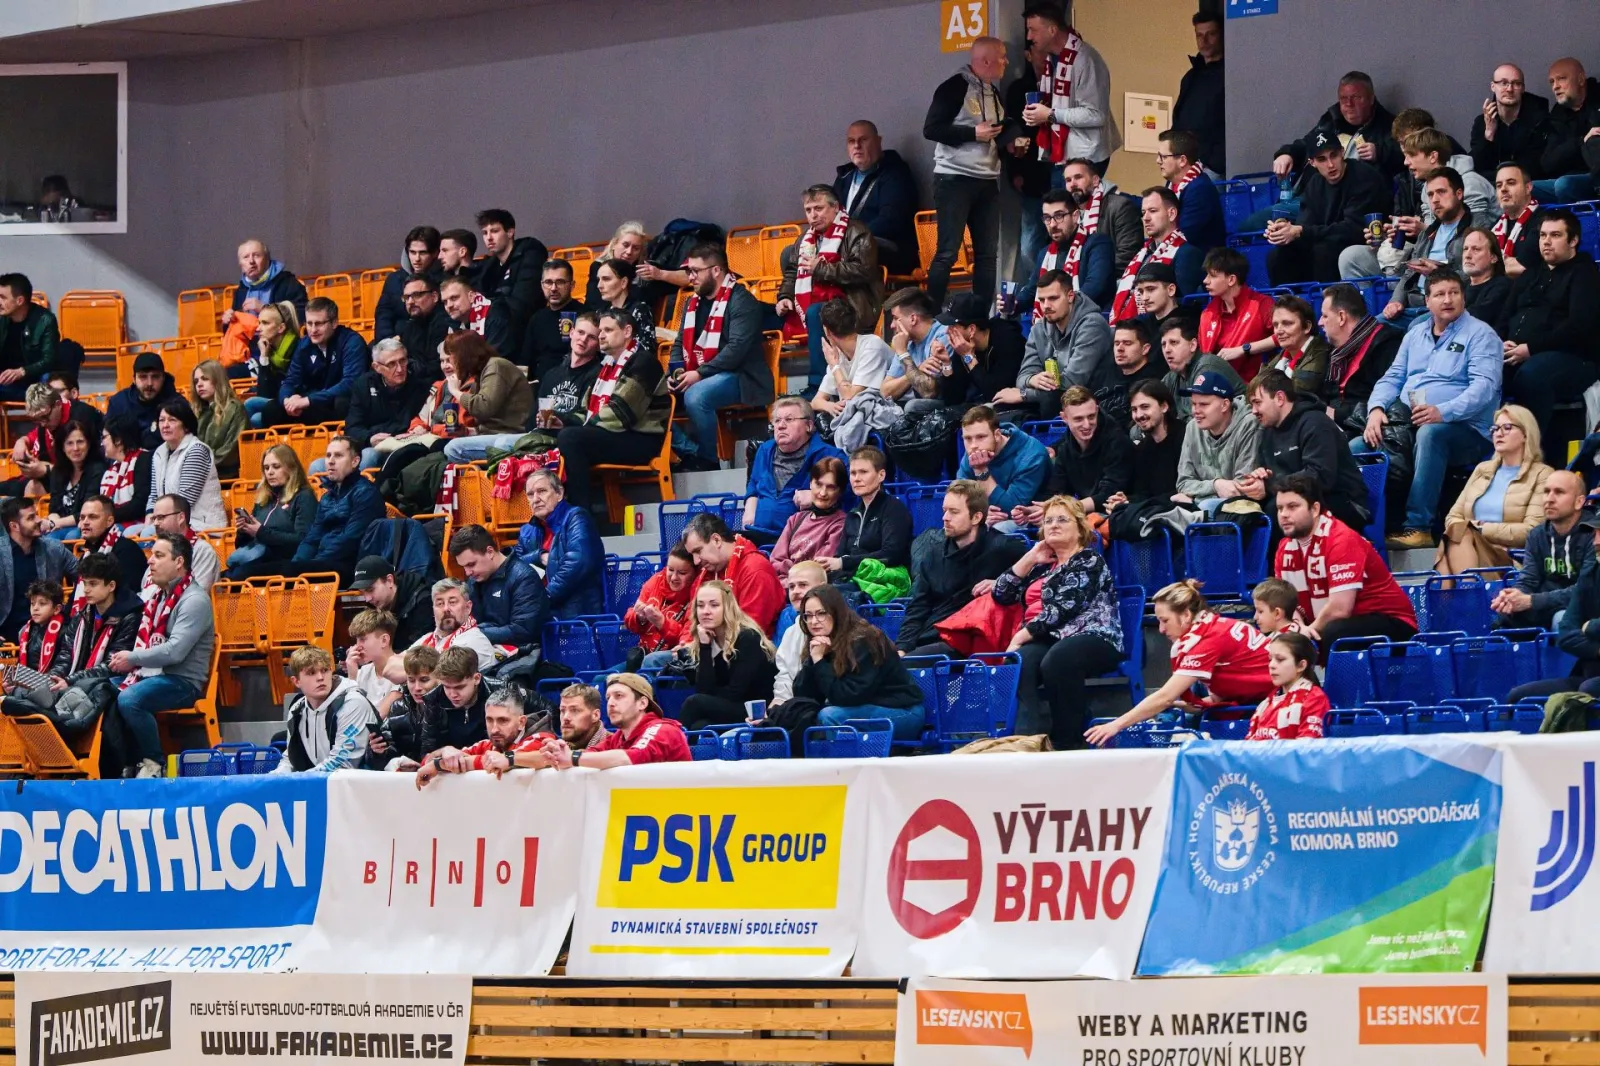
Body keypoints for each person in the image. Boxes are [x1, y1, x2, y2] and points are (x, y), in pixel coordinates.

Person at [1360, 271, 1501, 549]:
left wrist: (1443, 412)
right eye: (1439, 294)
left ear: (1463, 298)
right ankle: (1365, 530)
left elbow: (1484, 389)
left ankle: (1419, 526)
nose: (1447, 300)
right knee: (1359, 445)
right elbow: (1392, 378)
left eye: (1454, 293)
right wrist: (1376, 409)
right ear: (1427, 301)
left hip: (1467, 430)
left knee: (1431, 435)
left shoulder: (1481, 335)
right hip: (1410, 422)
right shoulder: (1415, 335)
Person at [993, 494, 1123, 748]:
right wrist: (1031, 557)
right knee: (1021, 661)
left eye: (1062, 520)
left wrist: (1021, 635)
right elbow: (1001, 593)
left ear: (1080, 528)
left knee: (1058, 659)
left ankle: (1068, 742)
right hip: (1051, 637)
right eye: (1049, 520)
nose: (1053, 525)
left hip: (1095, 636)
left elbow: (1062, 609)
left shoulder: (1088, 560)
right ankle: (1026, 739)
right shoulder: (1042, 566)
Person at [1085, 579, 1273, 747]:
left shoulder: (1208, 640)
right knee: (1177, 710)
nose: (1160, 629)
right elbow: (1236, 682)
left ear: (1186, 615)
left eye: (1165, 620)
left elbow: (1165, 696)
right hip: (1255, 696)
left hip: (1269, 703)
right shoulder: (1212, 625)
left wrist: (1116, 725)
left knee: (1174, 716)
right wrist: (1202, 703)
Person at [1498, 207, 1600, 465]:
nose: (1546, 241)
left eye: (1555, 235)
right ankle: (1488, 453)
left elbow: (1578, 326)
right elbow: (1504, 316)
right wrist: (1500, 342)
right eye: (1543, 235)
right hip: (1517, 352)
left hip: (1574, 358)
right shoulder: (1531, 273)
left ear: (1573, 240)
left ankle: (1529, 459)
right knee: (1483, 369)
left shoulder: (1584, 273)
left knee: (1532, 375)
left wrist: (1530, 348)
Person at [110, 532, 215, 778]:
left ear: (179, 562)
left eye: (158, 555)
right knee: (105, 690)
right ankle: (122, 761)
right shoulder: (158, 598)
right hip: (152, 675)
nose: (150, 561)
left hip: (183, 682)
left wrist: (132, 658)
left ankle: (154, 764)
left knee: (130, 698)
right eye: (151, 555)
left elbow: (175, 652)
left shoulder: (195, 600)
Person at [1273, 473, 1419, 646]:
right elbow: (1287, 602)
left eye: (1292, 507)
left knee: (1334, 632)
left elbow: (1340, 609)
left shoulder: (1341, 540)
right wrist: (1298, 628)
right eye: (1280, 508)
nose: (1284, 514)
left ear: (1315, 509)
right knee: (1273, 631)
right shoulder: (1284, 548)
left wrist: (1306, 637)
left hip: (1393, 622)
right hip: (1343, 622)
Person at [552, 308, 670, 515]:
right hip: (617, 434)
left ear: (627, 331)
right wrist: (562, 421)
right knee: (553, 435)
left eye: (607, 330)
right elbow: (586, 411)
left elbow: (621, 414)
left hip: (642, 439)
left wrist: (575, 428)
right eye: (600, 331)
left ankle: (580, 515)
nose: (601, 335)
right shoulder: (606, 367)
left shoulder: (644, 363)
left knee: (571, 438)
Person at [669, 243, 770, 469]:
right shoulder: (691, 303)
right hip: (700, 372)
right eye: (689, 271)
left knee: (696, 396)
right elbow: (679, 342)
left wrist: (699, 373)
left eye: (696, 271)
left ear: (716, 270)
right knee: (650, 397)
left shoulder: (741, 300)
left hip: (741, 375)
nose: (690, 277)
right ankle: (690, 452)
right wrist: (676, 372)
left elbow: (736, 350)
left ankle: (708, 460)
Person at [898, 481, 1027, 655]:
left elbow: (1037, 580)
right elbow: (918, 606)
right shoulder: (934, 553)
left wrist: (1001, 582)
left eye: (954, 512)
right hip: (931, 636)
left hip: (967, 640)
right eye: (944, 510)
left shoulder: (1003, 548)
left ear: (976, 517)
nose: (945, 518)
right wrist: (902, 648)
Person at [923, 35, 1005, 308]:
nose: (1006, 62)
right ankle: (932, 314)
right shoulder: (953, 88)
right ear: (986, 61)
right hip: (954, 178)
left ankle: (980, 317)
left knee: (987, 255)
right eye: (1002, 57)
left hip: (987, 180)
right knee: (948, 251)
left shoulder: (993, 92)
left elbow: (992, 133)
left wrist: (1011, 142)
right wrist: (972, 133)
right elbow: (931, 129)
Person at [776, 185, 882, 394]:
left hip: (853, 303)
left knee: (816, 312)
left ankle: (816, 386)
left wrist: (821, 269)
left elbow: (864, 270)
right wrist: (785, 296)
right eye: (808, 210)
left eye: (819, 208)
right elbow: (792, 272)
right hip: (811, 301)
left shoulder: (856, 231)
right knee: (762, 313)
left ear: (835, 208)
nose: (813, 215)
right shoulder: (804, 239)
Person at [1243, 369, 1371, 532]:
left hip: (1342, 502)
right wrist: (1260, 480)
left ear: (1280, 398)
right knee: (1246, 513)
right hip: (1298, 500)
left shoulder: (1316, 423)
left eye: (1257, 402)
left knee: (1277, 512)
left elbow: (1320, 477)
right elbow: (1271, 476)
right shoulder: (1267, 433)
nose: (1253, 411)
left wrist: (1270, 486)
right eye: (1251, 405)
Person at [798, 584, 926, 739]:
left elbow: (849, 696)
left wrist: (819, 661)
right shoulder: (821, 643)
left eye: (821, 613)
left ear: (836, 612)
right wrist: (813, 660)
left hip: (903, 712)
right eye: (808, 615)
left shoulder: (865, 640)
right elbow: (803, 696)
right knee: (803, 716)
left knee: (830, 716)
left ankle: (842, 755)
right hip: (862, 708)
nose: (813, 621)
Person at [1435, 404, 1553, 574]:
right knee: (1457, 533)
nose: (1498, 433)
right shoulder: (1482, 469)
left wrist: (1482, 529)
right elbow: (1452, 517)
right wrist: (1474, 531)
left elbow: (1533, 530)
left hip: (1512, 558)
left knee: (1457, 536)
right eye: (1495, 428)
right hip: (1469, 549)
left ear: (1526, 434)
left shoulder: (1542, 474)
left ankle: (1459, 590)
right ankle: (1467, 589)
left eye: (1507, 427)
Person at [1266, 130, 1392, 285]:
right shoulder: (1315, 183)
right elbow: (1306, 225)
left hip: (1363, 244)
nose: (1330, 165)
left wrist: (1301, 231)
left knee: (1324, 251)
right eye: (1322, 159)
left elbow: (1353, 229)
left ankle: (1328, 298)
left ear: (1342, 152)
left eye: (1334, 155)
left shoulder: (1364, 176)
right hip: (1327, 243)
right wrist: (1284, 230)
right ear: (1312, 163)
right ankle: (1286, 299)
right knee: (1278, 256)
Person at [1021, 4, 1117, 177]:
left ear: (1052, 30)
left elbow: (1096, 114)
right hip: (1059, 154)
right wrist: (1037, 114)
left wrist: (1050, 114)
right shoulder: (1050, 58)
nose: (1029, 37)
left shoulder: (1085, 59)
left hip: (1085, 158)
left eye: (1033, 30)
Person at [273, 436, 384, 583]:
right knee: (250, 572)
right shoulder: (327, 497)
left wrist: (313, 564)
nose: (330, 461)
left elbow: (349, 541)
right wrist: (298, 563)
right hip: (322, 562)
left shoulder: (365, 493)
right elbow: (312, 539)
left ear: (355, 462)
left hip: (350, 566)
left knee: (288, 572)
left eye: (338, 455)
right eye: (328, 455)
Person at [1370, 168, 1478, 316]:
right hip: (1413, 305)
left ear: (1459, 194)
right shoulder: (1427, 233)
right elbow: (1409, 273)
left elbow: (1478, 275)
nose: (1435, 200)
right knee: (1371, 326)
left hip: (1446, 309)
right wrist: (1396, 301)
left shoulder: (1476, 229)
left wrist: (1439, 273)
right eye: (1430, 194)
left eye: (1441, 192)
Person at [1006, 270, 1115, 417]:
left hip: (1092, 408)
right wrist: (1032, 379)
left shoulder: (1092, 325)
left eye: (1053, 298)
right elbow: (1022, 377)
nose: (1046, 306)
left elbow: (1072, 383)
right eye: (1042, 300)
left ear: (1070, 296)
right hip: (1055, 405)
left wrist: (1025, 394)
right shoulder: (1039, 329)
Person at [1493, 470, 1589, 630]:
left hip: (1585, 607)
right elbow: (1529, 580)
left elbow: (1587, 589)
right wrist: (1513, 596)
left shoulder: (1594, 534)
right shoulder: (1537, 535)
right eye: (1546, 491)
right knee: (1506, 616)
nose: (1549, 499)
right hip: (1546, 604)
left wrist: (1531, 601)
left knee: (1562, 619)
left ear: (1579, 502)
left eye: (1559, 492)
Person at [42, 554, 141, 708]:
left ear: (111, 586)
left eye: (93, 584)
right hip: (76, 684)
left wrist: (70, 681)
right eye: (85, 583)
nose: (86, 590)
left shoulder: (130, 617)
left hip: (106, 687)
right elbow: (65, 656)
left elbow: (112, 666)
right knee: (21, 693)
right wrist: (52, 679)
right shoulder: (82, 615)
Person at [678, 579, 777, 732]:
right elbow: (704, 690)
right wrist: (705, 647)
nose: (706, 611)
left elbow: (736, 692)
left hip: (757, 710)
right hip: (730, 706)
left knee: (693, 703)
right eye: (700, 605)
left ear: (728, 608)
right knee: (701, 726)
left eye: (714, 605)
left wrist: (709, 697)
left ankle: (672, 744)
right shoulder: (707, 638)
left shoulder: (748, 637)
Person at [1271, 71, 1403, 183]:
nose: (1349, 104)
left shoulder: (1390, 125)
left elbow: (1406, 156)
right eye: (1343, 98)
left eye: (1356, 97)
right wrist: (1288, 154)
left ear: (1371, 99)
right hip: (1310, 194)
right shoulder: (1333, 120)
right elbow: (1309, 143)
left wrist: (1379, 152)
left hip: (1354, 198)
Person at [743, 397, 847, 540]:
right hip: (757, 534)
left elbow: (850, 496)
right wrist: (749, 509)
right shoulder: (764, 450)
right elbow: (754, 484)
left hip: (804, 540)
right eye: (777, 421)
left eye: (789, 419)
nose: (781, 426)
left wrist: (816, 496)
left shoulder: (830, 456)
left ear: (808, 425)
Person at [540, 672, 692, 769]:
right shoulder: (618, 738)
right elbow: (590, 754)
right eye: (608, 698)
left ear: (642, 703)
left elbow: (630, 758)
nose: (611, 703)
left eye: (619, 696)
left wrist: (572, 758)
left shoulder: (663, 729)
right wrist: (559, 754)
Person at [413, 685, 557, 786]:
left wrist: (439, 765)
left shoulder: (542, 739)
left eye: (503, 720)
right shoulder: (487, 745)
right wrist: (445, 751)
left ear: (521, 722)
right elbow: (426, 762)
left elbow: (496, 762)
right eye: (489, 720)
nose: (494, 729)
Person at [258, 297, 368, 429]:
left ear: (334, 323)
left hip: (339, 403)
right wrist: (287, 400)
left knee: (341, 403)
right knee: (271, 409)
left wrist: (308, 400)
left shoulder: (351, 342)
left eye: (319, 324)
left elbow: (350, 383)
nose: (313, 330)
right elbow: (291, 381)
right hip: (314, 403)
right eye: (309, 324)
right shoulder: (304, 345)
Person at [832, 119, 919, 276]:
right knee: (793, 253)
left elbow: (891, 220)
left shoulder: (895, 173)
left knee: (852, 250)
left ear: (878, 141)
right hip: (846, 244)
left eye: (863, 139)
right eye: (851, 141)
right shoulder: (844, 176)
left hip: (887, 247)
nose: (857, 145)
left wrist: (850, 238)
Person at [514, 468, 604, 618]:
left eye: (542, 491)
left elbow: (577, 564)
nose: (535, 499)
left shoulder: (576, 518)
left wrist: (544, 599)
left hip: (578, 617)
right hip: (541, 617)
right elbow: (513, 565)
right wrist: (539, 556)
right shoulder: (527, 531)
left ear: (559, 493)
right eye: (530, 494)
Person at [274, 646, 376, 774]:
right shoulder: (297, 710)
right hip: (321, 780)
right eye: (311, 673)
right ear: (296, 681)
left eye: (325, 670)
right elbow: (291, 757)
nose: (320, 677)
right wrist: (272, 779)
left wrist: (300, 780)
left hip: (360, 782)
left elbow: (342, 763)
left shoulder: (353, 703)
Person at [1037, 387, 1131, 527]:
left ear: (1097, 410)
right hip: (1082, 513)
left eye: (1091, 416)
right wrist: (1040, 510)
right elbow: (1055, 490)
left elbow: (1109, 495)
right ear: (1064, 418)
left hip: (1115, 514)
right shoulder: (1066, 447)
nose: (1086, 425)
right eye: (1078, 419)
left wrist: (1063, 509)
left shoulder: (1117, 441)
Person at [449, 524, 549, 654]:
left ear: (490, 552)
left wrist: (473, 633)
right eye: (463, 567)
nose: (467, 572)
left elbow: (522, 631)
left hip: (523, 656)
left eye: (471, 564)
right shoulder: (474, 580)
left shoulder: (524, 577)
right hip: (486, 651)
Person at [681, 512, 785, 636]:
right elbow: (691, 621)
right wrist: (685, 642)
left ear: (716, 540)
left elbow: (749, 633)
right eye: (692, 554)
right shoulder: (709, 569)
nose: (696, 561)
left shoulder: (756, 570)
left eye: (698, 551)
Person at [438, 331, 535, 463]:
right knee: (441, 446)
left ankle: (480, 475)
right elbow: (489, 424)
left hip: (512, 436)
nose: (449, 363)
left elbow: (483, 407)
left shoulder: (496, 366)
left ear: (463, 354)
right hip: (497, 435)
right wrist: (466, 432)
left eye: (451, 358)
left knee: (453, 449)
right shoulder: (481, 373)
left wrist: (455, 391)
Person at [1318, 283, 1403, 429]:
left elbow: (1387, 400)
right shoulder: (1334, 352)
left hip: (1367, 431)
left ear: (1341, 317)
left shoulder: (1387, 344)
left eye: (1325, 316)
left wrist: (1337, 415)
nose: (1320, 322)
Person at [821, 447, 911, 584]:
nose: (857, 479)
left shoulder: (894, 508)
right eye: (853, 473)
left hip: (882, 581)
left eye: (863, 472)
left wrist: (844, 563)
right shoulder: (852, 514)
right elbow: (840, 555)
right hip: (852, 579)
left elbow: (891, 555)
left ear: (881, 475)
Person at [1110, 188, 1202, 322]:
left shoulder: (1187, 253)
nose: (1145, 218)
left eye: (1153, 211)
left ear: (1172, 214)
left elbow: (1186, 306)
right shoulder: (1143, 253)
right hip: (1129, 326)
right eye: (1143, 213)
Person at [1176, 371, 1259, 517]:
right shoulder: (1192, 427)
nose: (1196, 411)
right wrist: (1216, 485)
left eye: (1203, 404)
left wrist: (1195, 499)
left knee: (1202, 506)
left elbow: (1241, 487)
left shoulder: (1249, 424)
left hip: (1241, 511)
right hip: (1206, 509)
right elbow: (1183, 483)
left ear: (1225, 405)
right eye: (1194, 404)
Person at [225, 443, 316, 578]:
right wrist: (244, 530)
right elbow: (242, 545)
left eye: (276, 466)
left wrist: (261, 532)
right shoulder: (264, 498)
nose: (270, 472)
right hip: (259, 558)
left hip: (287, 562)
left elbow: (302, 540)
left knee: (238, 575)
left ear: (291, 468)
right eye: (266, 468)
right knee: (223, 577)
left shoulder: (304, 496)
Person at [346, 337, 429, 471]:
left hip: (407, 446)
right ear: (377, 367)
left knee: (368, 456)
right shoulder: (364, 385)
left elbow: (412, 422)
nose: (400, 369)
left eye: (403, 361)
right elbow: (352, 428)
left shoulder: (419, 385)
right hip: (374, 444)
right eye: (391, 364)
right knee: (318, 466)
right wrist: (370, 438)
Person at [956, 405, 1051, 520]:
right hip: (987, 516)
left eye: (981, 437)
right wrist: (982, 513)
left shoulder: (1032, 454)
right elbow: (958, 498)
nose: (973, 445)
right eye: (967, 438)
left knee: (1001, 526)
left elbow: (1012, 509)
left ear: (997, 435)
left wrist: (981, 471)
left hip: (1029, 519)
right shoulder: (976, 451)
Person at [0, 498, 76, 643]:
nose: (39, 520)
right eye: (31, 517)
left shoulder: (54, 549)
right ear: (14, 526)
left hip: (50, 635)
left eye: (36, 514)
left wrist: (68, 611)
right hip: (6, 638)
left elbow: (85, 576)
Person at [935, 293, 1028, 411]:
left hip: (1014, 408)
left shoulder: (1008, 340)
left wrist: (969, 358)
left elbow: (997, 394)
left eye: (953, 326)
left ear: (971, 329)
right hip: (980, 406)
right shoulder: (963, 347)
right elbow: (952, 400)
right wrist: (946, 364)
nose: (947, 331)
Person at [390, 578, 501, 676]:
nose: (446, 609)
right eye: (440, 603)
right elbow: (390, 667)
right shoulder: (428, 638)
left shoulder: (474, 640)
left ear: (468, 607)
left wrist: (410, 670)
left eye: (452, 602)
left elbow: (438, 679)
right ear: (433, 610)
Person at [146, 398, 226, 531]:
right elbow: (154, 495)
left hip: (201, 524)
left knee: (146, 533)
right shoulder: (159, 453)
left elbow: (184, 501)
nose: (165, 425)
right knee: (133, 532)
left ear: (186, 426)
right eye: (161, 420)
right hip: (169, 520)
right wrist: (150, 517)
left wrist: (156, 522)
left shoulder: (196, 450)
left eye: (172, 420)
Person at [1108, 379, 1185, 515]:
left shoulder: (1185, 437)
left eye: (1145, 407)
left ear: (1164, 406)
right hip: (1153, 513)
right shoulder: (1143, 448)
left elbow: (1183, 490)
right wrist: (1126, 501)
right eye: (1134, 409)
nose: (1138, 415)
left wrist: (1137, 505)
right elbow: (1143, 493)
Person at [1197, 246, 1274, 379]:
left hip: (1252, 383)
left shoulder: (1261, 304)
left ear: (1231, 280)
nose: (1205, 281)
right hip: (1213, 382)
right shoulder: (1207, 313)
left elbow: (1284, 336)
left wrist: (1244, 349)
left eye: (1212, 276)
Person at [812, 298, 894, 422]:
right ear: (855, 323)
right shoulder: (837, 354)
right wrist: (830, 406)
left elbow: (850, 396)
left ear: (827, 331)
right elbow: (816, 401)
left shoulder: (872, 345)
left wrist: (834, 366)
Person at [1031, 188, 1114, 309]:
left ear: (1075, 216)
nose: (1052, 224)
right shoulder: (1045, 253)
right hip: (1054, 317)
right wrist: (1013, 303)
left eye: (1059, 216)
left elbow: (1095, 287)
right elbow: (1032, 289)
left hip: (1090, 316)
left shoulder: (1098, 244)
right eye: (1047, 218)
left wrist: (1061, 307)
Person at [474, 208, 548, 343]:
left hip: (526, 332)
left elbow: (523, 303)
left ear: (510, 232)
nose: (489, 237)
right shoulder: (489, 268)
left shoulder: (530, 254)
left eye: (495, 231)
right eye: (485, 233)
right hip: (497, 330)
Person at [771, 457, 848, 582]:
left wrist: (789, 570)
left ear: (840, 491)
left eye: (831, 487)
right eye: (818, 484)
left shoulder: (840, 524)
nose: (822, 493)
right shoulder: (795, 519)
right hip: (782, 583)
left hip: (810, 586)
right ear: (810, 483)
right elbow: (775, 560)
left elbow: (817, 568)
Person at [1062, 158, 1143, 274]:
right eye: (1068, 180)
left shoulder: (1120, 206)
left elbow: (1128, 255)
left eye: (1078, 177)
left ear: (1095, 180)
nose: (1072, 184)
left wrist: (1090, 274)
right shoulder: (1067, 214)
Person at [1243, 632, 1328, 741]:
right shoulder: (1267, 703)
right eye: (1270, 659)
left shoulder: (1315, 699)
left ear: (1301, 665)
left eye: (1280, 659)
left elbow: (1307, 747)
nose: (1271, 665)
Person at [415, 645, 499, 757]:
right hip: (451, 765)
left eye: (459, 687)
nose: (452, 694)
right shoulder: (433, 700)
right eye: (446, 687)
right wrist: (442, 751)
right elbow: (427, 752)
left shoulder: (501, 692)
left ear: (476, 678)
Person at [1471, 64, 1549, 181]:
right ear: (1493, 86)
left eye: (1516, 83)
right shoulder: (1481, 122)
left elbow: (1535, 166)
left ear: (1523, 88)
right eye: (1503, 83)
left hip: (1529, 184)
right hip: (1491, 186)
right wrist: (1489, 135)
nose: (1509, 89)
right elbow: (1477, 166)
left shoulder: (1539, 120)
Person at [1537, 58, 1600, 203]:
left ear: (1581, 79)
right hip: (1572, 179)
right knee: (1524, 190)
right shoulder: (1557, 115)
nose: (1555, 86)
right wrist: (1581, 141)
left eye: (1561, 79)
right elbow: (1548, 163)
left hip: (1592, 177)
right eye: (1552, 82)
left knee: (1563, 185)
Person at [1172, 12, 1225, 176]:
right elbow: (1178, 119)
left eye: (1211, 34)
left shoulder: (1230, 76)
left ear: (1222, 35)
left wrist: (1213, 163)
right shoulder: (1191, 77)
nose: (1204, 41)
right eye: (1199, 35)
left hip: (1211, 168)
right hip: (1183, 164)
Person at [522, 258, 589, 382]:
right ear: (542, 285)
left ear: (572, 285)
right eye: (548, 282)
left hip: (574, 383)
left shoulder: (585, 316)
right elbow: (526, 361)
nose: (553, 288)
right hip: (541, 385)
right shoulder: (537, 318)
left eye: (560, 282)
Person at [1158, 128, 1225, 253]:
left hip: (1199, 258)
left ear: (1182, 160)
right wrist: (1120, 195)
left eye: (1163, 157)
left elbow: (1185, 233)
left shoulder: (1200, 189)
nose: (1158, 161)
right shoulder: (1172, 185)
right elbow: (1153, 204)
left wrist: (1156, 222)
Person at [770, 563, 827, 706]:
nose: (795, 591)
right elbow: (784, 677)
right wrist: (777, 707)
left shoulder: (839, 626)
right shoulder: (790, 632)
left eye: (803, 585)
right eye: (791, 587)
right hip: (797, 707)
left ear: (823, 587)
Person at [373, 225, 442, 343]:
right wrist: (389, 341)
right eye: (412, 252)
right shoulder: (394, 279)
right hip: (395, 341)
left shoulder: (443, 279)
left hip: (429, 340)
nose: (417, 259)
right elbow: (383, 314)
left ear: (435, 253)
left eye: (423, 253)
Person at [1162, 317, 1240, 418]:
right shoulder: (1173, 376)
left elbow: (1201, 418)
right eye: (1163, 344)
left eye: (1173, 342)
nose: (1167, 350)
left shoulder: (1207, 367)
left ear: (1192, 345)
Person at [625, 546, 696, 656]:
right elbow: (629, 621)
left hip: (672, 657)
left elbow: (686, 641)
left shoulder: (697, 593)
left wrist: (662, 623)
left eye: (682, 573)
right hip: (645, 653)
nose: (674, 578)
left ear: (694, 573)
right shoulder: (656, 581)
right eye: (670, 570)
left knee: (652, 660)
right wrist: (638, 618)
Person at [70, 495, 145, 599]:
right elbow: (74, 599)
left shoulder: (128, 551)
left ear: (109, 521)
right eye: (82, 518)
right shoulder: (86, 556)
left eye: (92, 517)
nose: (85, 522)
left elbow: (129, 598)